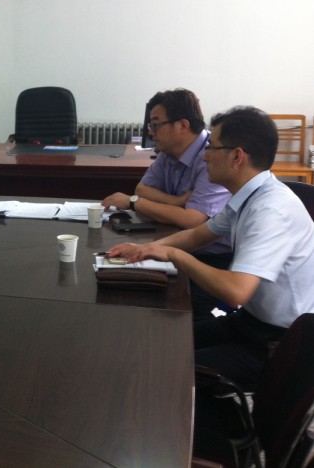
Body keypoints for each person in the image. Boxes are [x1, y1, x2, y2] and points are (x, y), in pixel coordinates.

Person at [108, 106, 314, 388]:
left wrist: (173, 255)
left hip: (280, 345)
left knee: (161, 367)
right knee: (161, 340)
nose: (205, 157)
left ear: (237, 156)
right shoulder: (249, 195)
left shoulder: (270, 211)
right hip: (250, 323)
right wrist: (148, 248)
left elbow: (235, 292)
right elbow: (199, 235)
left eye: (212, 148)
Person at [102, 89, 233, 319]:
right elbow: (142, 189)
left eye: (155, 125)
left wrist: (134, 203)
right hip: (178, 245)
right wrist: (177, 202)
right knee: (118, 289)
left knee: (150, 309)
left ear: (182, 125)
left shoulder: (213, 158)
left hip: (212, 260)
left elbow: (193, 220)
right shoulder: (169, 151)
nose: (151, 133)